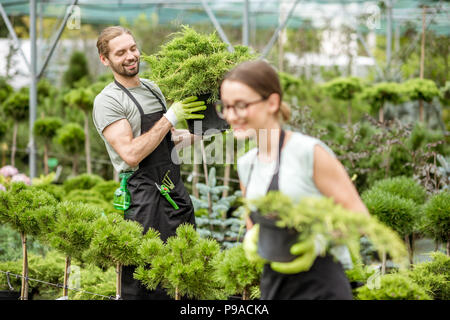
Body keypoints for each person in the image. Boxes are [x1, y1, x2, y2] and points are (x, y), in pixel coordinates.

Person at [218, 60, 370, 300]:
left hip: (322, 287)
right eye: (226, 107)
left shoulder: (308, 153)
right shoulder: (247, 164)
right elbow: (254, 225)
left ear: (272, 102)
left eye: (240, 105)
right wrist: (252, 238)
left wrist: (318, 240)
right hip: (274, 287)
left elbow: (360, 219)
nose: (231, 115)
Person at [92, 26, 206, 300]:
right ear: (105, 60)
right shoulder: (108, 101)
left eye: (132, 48)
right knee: (147, 282)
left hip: (174, 191)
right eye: (121, 53)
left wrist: (207, 131)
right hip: (144, 199)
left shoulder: (152, 89)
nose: (131, 56)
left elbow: (167, 139)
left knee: (184, 277)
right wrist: (170, 117)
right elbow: (131, 153)